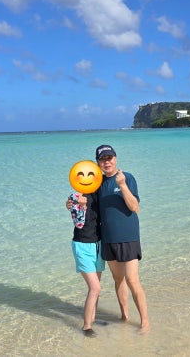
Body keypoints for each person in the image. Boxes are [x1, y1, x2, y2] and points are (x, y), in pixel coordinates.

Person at [94, 144, 150, 332]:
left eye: (109, 158)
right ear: (98, 163)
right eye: (102, 159)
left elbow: (135, 207)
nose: (107, 162)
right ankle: (124, 316)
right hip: (108, 239)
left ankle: (145, 322)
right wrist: (71, 203)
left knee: (132, 279)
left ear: (115, 158)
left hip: (128, 237)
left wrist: (123, 185)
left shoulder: (127, 177)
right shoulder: (98, 184)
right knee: (118, 279)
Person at [66, 191, 104, 337]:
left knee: (96, 287)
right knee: (95, 287)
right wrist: (81, 207)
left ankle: (92, 319)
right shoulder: (76, 196)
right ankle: (86, 326)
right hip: (82, 245)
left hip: (98, 245)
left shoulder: (99, 193)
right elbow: (79, 223)